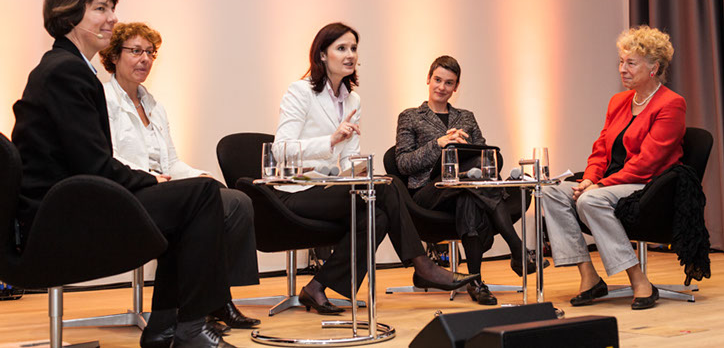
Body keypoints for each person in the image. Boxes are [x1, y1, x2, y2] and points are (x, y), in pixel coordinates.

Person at [12, 0, 238, 347]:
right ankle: (188, 328)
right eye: (101, 8)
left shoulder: (64, 67)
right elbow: (95, 165)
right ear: (70, 15)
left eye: (112, 9)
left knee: (191, 199)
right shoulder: (65, 71)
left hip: (65, 206)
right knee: (199, 195)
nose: (112, 18)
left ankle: (167, 328)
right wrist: (152, 180)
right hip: (58, 218)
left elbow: (90, 162)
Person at [242, 22, 477, 315]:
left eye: (353, 48)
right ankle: (423, 266)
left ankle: (316, 287)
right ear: (322, 55)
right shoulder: (300, 91)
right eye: (341, 48)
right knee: (388, 188)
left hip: (328, 188)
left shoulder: (353, 99)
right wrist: (330, 140)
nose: (350, 54)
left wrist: (360, 171)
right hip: (295, 191)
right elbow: (281, 150)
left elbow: (348, 159)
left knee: (378, 215)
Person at [97, 22, 260, 343]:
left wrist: (199, 175)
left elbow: (171, 161)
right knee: (206, 205)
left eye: (150, 53)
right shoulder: (103, 100)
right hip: (131, 190)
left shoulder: (154, 106)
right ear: (114, 56)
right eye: (136, 51)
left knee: (236, 201)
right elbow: (109, 158)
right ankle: (204, 308)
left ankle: (216, 298)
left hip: (164, 186)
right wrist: (154, 179)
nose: (144, 59)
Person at [541, 25, 686, 310]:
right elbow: (601, 150)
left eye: (631, 63)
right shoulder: (618, 102)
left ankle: (639, 280)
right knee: (551, 192)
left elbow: (648, 161)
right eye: (621, 62)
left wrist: (599, 186)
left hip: (650, 187)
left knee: (590, 200)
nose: (622, 69)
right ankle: (589, 276)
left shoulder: (672, 104)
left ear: (654, 68)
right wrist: (589, 179)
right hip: (611, 184)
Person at [395, 55, 547, 305]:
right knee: (470, 184)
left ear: (456, 87)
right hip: (428, 192)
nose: (442, 87)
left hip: (465, 190)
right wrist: (439, 143)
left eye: (449, 83)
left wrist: (466, 148)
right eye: (437, 80)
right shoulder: (410, 116)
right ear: (428, 79)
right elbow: (403, 162)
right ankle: (517, 247)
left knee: (468, 193)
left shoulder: (466, 117)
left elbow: (486, 160)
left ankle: (475, 281)